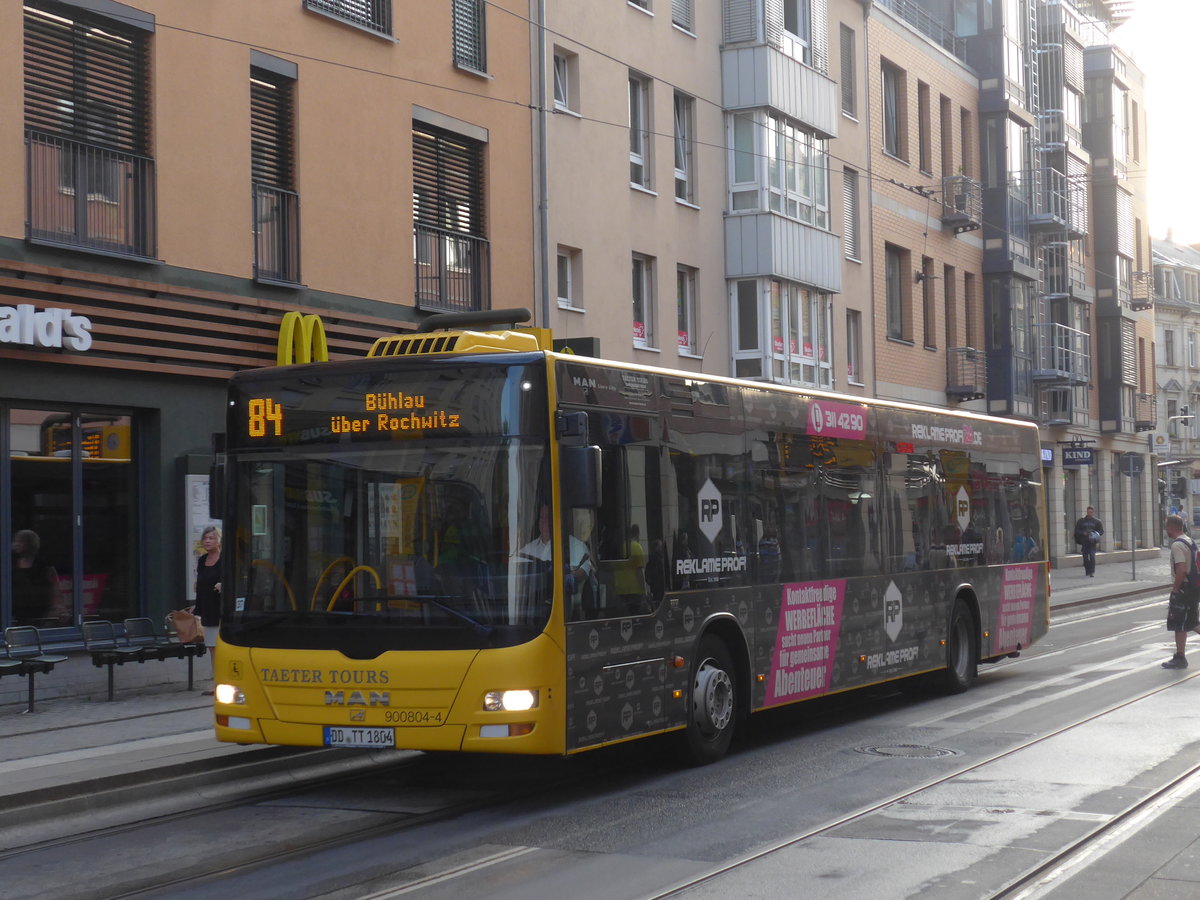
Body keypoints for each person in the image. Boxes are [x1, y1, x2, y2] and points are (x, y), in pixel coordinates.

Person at [518, 505, 594, 614]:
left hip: (566, 610)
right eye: (541, 518)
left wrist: (565, 575)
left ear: (558, 520)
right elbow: (519, 578)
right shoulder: (527, 549)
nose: (544, 522)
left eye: (548, 518)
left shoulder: (576, 546)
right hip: (531, 610)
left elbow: (582, 572)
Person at [1162, 514, 1200, 669]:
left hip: (1184, 588)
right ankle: (1180, 656)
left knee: (1179, 622)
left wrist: (1176, 589)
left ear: (1171, 527)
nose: (1165, 530)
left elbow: (1182, 569)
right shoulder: (1190, 541)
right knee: (1190, 622)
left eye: (1166, 526)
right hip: (1194, 587)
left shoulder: (1177, 545)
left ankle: (1180, 657)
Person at [12, 529, 64, 625]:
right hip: (17, 614)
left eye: (19, 541)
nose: (15, 544)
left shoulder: (44, 566)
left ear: (29, 544)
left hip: (39, 615)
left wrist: (56, 607)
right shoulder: (11, 564)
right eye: (15, 541)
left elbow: (56, 588)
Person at [194, 526, 222, 682]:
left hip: (222, 608)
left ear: (218, 540)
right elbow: (200, 585)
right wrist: (197, 608)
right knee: (212, 647)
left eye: (211, 538)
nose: (208, 541)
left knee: (223, 648)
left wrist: (223, 585)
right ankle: (217, 682)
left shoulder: (226, 558)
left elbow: (237, 581)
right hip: (208, 608)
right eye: (205, 538)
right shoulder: (202, 560)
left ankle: (227, 682)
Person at [614, 524, 647, 614]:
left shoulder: (622, 547)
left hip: (621, 590)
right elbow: (639, 571)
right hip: (634, 590)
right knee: (636, 618)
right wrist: (644, 590)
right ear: (637, 534)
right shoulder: (637, 547)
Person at [1074, 506, 1104, 577]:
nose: (1089, 513)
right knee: (1085, 557)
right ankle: (1087, 570)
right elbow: (1076, 531)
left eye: (1091, 512)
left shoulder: (1097, 521)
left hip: (1092, 542)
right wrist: (1083, 533)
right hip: (1084, 542)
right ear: (1087, 512)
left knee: (1092, 556)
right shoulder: (1081, 521)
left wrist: (1095, 534)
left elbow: (1101, 531)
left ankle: (1091, 572)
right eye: (1088, 512)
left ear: (1093, 512)